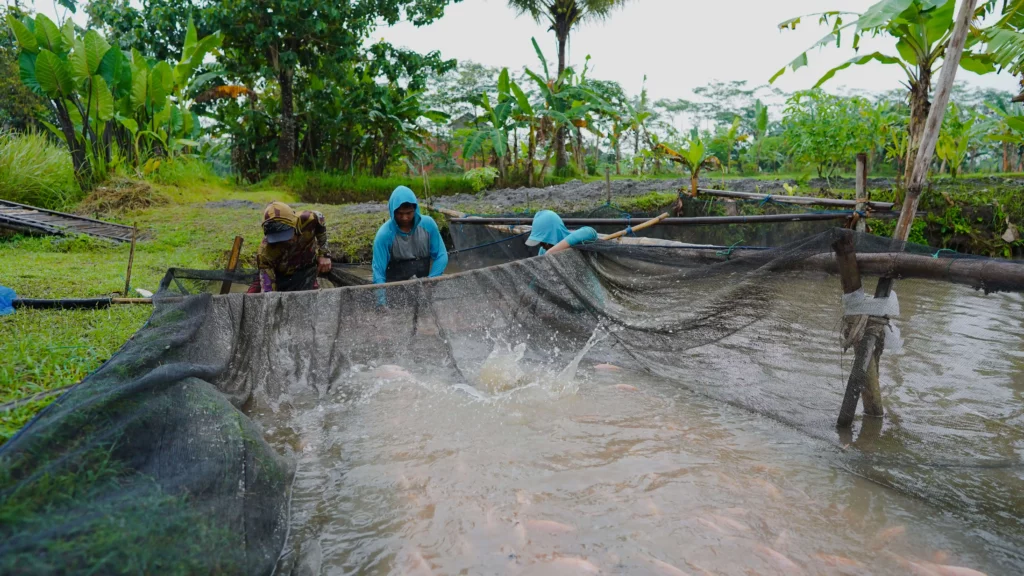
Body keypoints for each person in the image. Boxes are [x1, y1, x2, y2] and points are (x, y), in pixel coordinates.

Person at [250, 201, 332, 293]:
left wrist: (324, 254)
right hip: (279, 276)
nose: (286, 240)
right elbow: (268, 291)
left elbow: (320, 217)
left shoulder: (307, 219)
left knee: (313, 297)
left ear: (294, 223)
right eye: (278, 238)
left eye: (286, 234)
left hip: (305, 269)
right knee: (252, 299)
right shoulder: (265, 253)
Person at [372, 186, 448, 284]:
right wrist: (381, 298)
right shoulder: (384, 235)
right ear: (393, 212)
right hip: (394, 288)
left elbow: (441, 256)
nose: (404, 218)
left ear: (415, 210)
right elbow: (378, 272)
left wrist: (430, 281)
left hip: (423, 286)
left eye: (409, 213)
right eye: (400, 213)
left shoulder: (428, 225)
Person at [525, 210, 598, 255]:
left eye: (544, 241)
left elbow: (590, 232)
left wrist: (551, 252)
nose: (541, 245)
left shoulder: (578, 239)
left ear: (553, 235)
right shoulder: (543, 251)